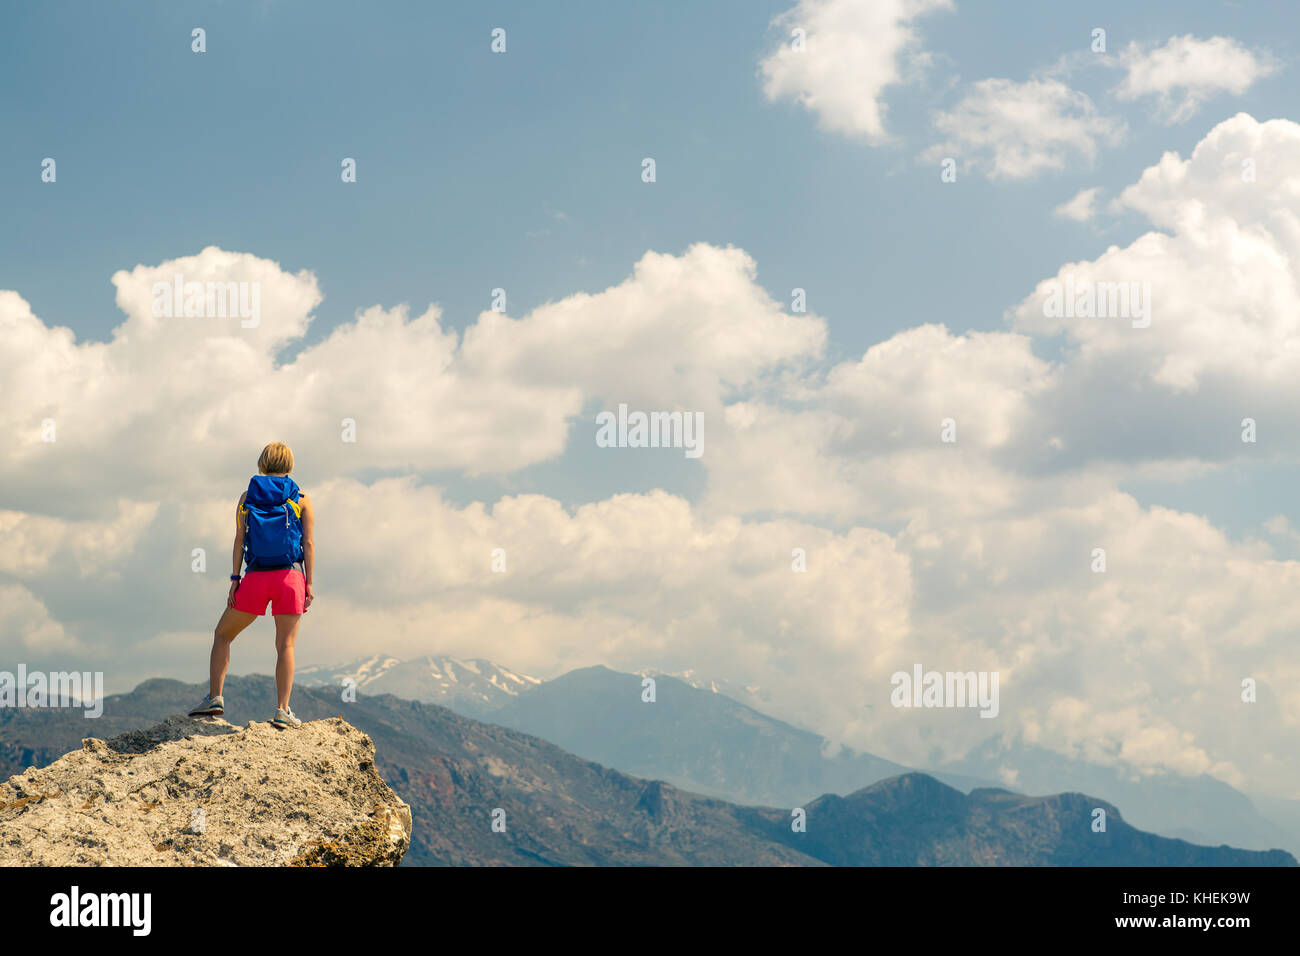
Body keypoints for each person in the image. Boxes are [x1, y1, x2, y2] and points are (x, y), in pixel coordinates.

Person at [188, 442, 315, 729]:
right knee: (285, 645)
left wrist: (235, 579)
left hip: (256, 577)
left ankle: (215, 698)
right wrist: (308, 583)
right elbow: (307, 543)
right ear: (290, 464)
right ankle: (283, 710)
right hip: (290, 577)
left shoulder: (247, 497)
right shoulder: (303, 499)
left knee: (223, 634)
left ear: (262, 462)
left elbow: (239, 540)